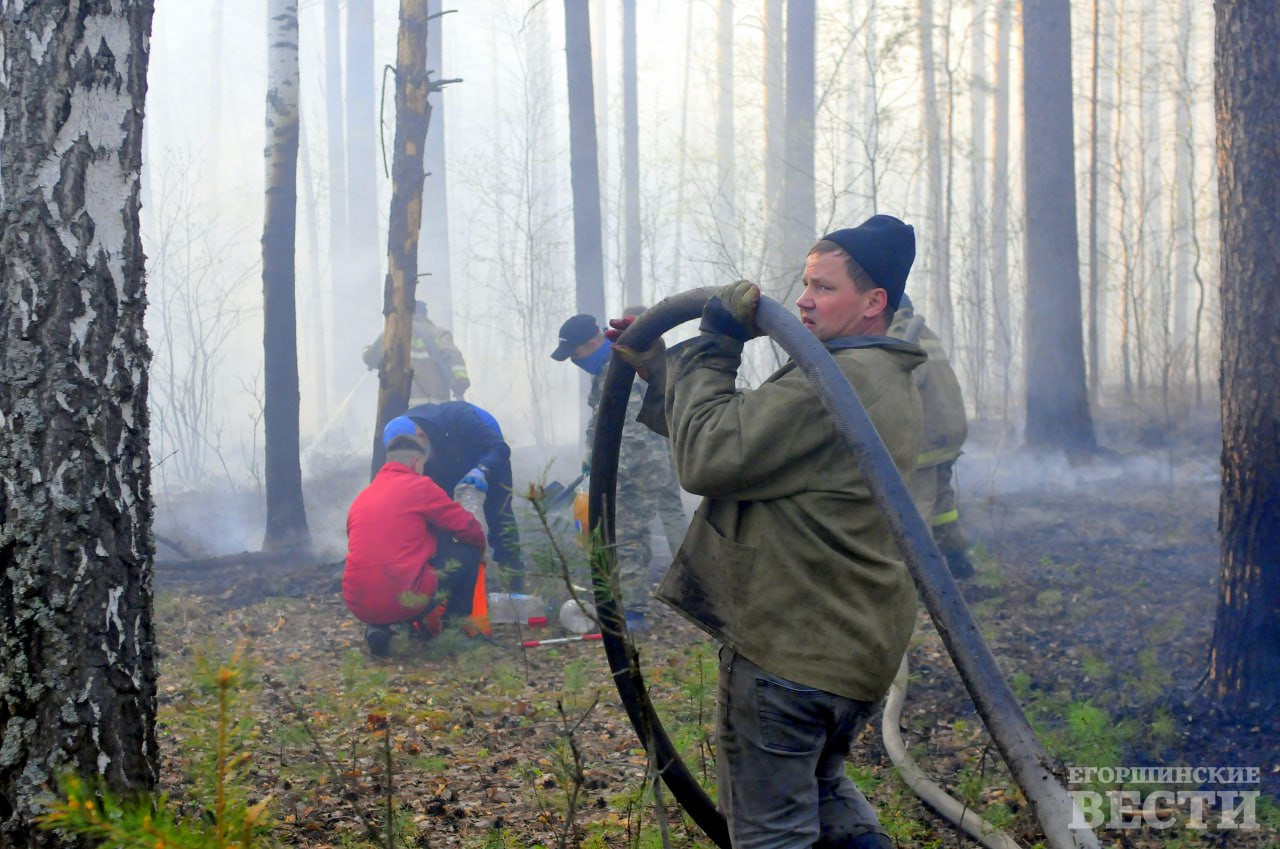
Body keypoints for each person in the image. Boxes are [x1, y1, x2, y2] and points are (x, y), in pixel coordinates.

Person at [610, 215, 925, 849]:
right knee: (823, 795)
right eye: (805, 284)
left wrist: (717, 345)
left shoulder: (836, 383)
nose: (803, 300)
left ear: (873, 303)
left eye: (824, 288)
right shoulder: (876, 375)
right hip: (848, 656)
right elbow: (751, 445)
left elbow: (711, 457)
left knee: (771, 836)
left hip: (791, 655)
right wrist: (664, 373)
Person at [551, 308, 687, 632]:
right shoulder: (603, 373)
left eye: (575, 353)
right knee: (618, 533)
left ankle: (634, 613)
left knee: (628, 537)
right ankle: (624, 605)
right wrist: (588, 452)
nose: (573, 360)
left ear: (594, 341)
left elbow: (634, 433)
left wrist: (606, 472)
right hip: (627, 465)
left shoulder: (622, 367)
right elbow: (599, 419)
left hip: (639, 465)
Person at [344, 416, 487, 657]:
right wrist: (480, 549)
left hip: (358, 601)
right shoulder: (420, 487)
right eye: (422, 464)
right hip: (406, 597)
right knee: (467, 552)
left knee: (392, 563)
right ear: (415, 461)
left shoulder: (363, 497)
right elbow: (467, 527)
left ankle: (379, 627)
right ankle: (454, 633)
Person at [887, 294, 974, 578]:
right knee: (942, 502)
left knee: (918, 508)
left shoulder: (903, 336)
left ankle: (916, 579)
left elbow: (904, 385)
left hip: (926, 440)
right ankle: (959, 558)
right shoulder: (926, 332)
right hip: (947, 434)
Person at [403, 401, 526, 591]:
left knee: (500, 517)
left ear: (420, 434)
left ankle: (514, 583)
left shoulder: (460, 416)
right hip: (447, 464)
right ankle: (447, 583)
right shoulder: (411, 438)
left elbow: (500, 448)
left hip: (488, 459)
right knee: (440, 519)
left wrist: (482, 469)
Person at [362, 300, 470, 404]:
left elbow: (370, 357)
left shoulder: (394, 333)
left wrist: (366, 350)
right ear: (425, 315)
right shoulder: (439, 334)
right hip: (438, 409)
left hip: (406, 407)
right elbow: (454, 357)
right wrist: (461, 381)